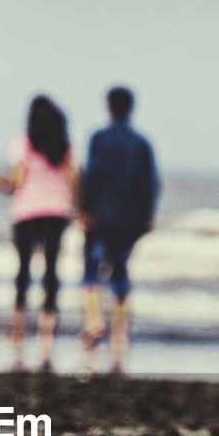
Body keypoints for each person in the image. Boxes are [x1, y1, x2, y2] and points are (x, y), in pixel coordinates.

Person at [0, 95, 79, 371]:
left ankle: (19, 330)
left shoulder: (23, 144)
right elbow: (73, 181)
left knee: (23, 271)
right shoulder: (64, 147)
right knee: (52, 272)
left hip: (27, 213)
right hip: (57, 213)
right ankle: (47, 332)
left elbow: (16, 184)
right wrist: (80, 209)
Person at [79, 86, 160, 373]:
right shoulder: (142, 144)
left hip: (102, 216)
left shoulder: (100, 139)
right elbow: (150, 184)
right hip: (130, 219)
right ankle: (120, 332)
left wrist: (85, 209)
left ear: (108, 107)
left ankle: (94, 320)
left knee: (92, 270)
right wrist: (148, 216)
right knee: (121, 272)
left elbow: (92, 175)